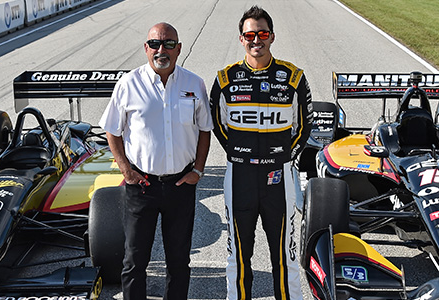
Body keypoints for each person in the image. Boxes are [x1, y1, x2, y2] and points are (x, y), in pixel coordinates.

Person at [99, 22, 212, 300]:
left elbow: (205, 130)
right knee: (135, 262)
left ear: (179, 48)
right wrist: (126, 170)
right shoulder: (128, 84)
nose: (162, 50)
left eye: (169, 44)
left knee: (178, 262)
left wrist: (198, 169)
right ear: (146, 48)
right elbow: (112, 131)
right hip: (142, 187)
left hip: (181, 185)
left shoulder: (194, 83)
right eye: (155, 44)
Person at [208, 6, 312, 300]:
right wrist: (241, 153)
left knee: (286, 257)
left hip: (278, 176)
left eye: (262, 33)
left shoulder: (293, 77)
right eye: (250, 34)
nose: (257, 40)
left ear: (272, 36)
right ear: (241, 39)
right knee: (238, 256)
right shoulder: (225, 79)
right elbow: (219, 126)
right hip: (239, 175)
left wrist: (280, 157)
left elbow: (303, 127)